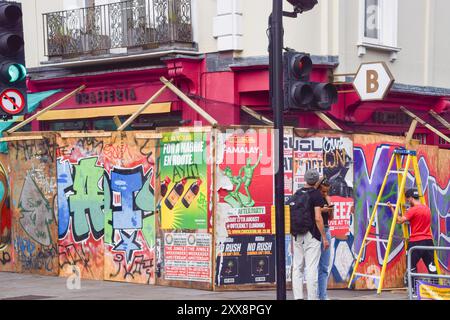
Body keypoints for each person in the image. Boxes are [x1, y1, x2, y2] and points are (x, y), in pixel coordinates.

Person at [290, 169, 329, 300]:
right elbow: (318, 218)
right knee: (311, 268)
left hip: (297, 235)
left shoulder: (297, 193)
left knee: (297, 268)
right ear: (316, 180)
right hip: (312, 235)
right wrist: (324, 237)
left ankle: (298, 297)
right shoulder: (316, 195)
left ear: (305, 180)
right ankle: (312, 298)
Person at [387, 188, 437, 282]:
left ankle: (413, 290)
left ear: (410, 198)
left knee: (411, 266)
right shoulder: (427, 209)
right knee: (431, 266)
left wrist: (391, 208)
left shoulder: (412, 210)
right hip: (428, 241)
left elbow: (399, 221)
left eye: (407, 199)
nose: (407, 201)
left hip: (416, 242)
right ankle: (436, 288)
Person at [316, 176, 334, 300]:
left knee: (324, 266)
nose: (325, 193)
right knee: (313, 266)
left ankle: (323, 296)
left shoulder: (327, 198)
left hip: (326, 229)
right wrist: (322, 209)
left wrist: (330, 205)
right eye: (323, 191)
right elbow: (313, 214)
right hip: (316, 232)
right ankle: (315, 295)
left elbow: (331, 217)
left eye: (327, 191)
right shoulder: (314, 198)